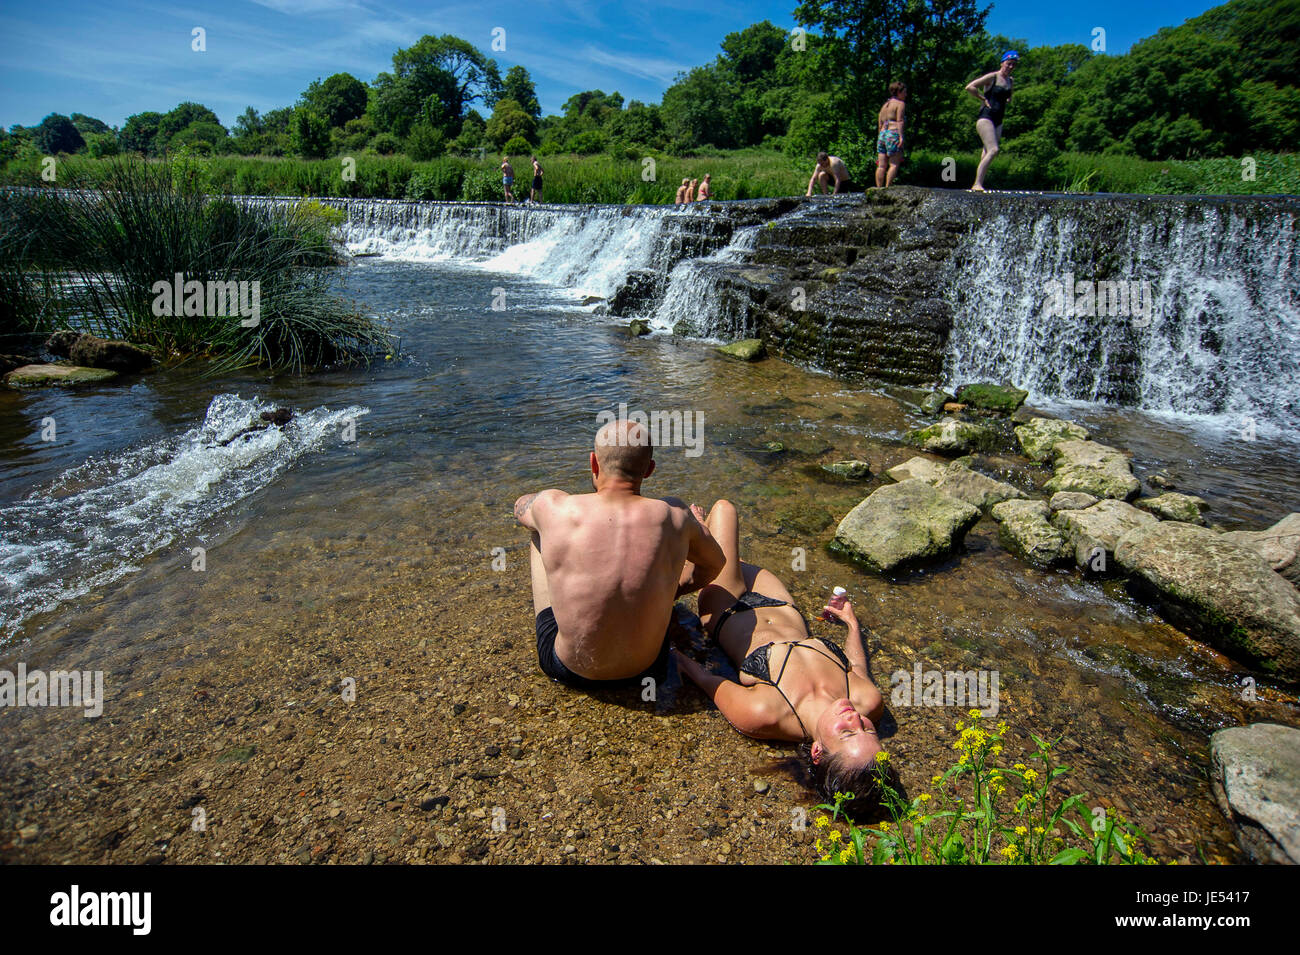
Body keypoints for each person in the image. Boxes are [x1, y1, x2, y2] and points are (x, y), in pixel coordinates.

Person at [672, 500, 886, 812]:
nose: (855, 718)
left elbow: (706, 679)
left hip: (727, 605)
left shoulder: (766, 713)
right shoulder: (866, 700)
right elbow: (857, 665)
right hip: (779, 600)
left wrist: (671, 648)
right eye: (868, 728)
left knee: (725, 510)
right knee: (722, 549)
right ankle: (699, 549)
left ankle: (694, 541)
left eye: (847, 732)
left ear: (817, 751)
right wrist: (851, 625)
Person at [515, 421, 726, 691]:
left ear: (593, 463)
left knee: (538, 532)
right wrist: (678, 587)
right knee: (676, 547)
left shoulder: (554, 506)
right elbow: (715, 563)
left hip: (570, 669)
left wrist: (548, 503)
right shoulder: (674, 515)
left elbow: (520, 507)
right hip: (649, 668)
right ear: (649, 470)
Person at [965, 51, 1018, 191]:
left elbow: (1009, 96)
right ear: (1002, 63)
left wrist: (1008, 99)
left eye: (1013, 65)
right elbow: (970, 87)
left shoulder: (1010, 81)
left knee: (987, 151)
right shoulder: (993, 77)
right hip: (986, 116)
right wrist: (982, 98)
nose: (1011, 66)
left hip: (998, 119)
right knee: (993, 150)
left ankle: (979, 183)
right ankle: (976, 183)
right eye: (1008, 64)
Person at [875, 82, 907, 188]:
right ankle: (888, 188)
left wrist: (880, 136)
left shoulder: (884, 106)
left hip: (882, 134)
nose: (906, 94)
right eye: (904, 92)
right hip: (893, 133)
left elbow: (879, 124)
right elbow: (900, 120)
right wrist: (901, 137)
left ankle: (879, 189)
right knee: (894, 164)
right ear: (898, 92)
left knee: (881, 165)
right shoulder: (900, 104)